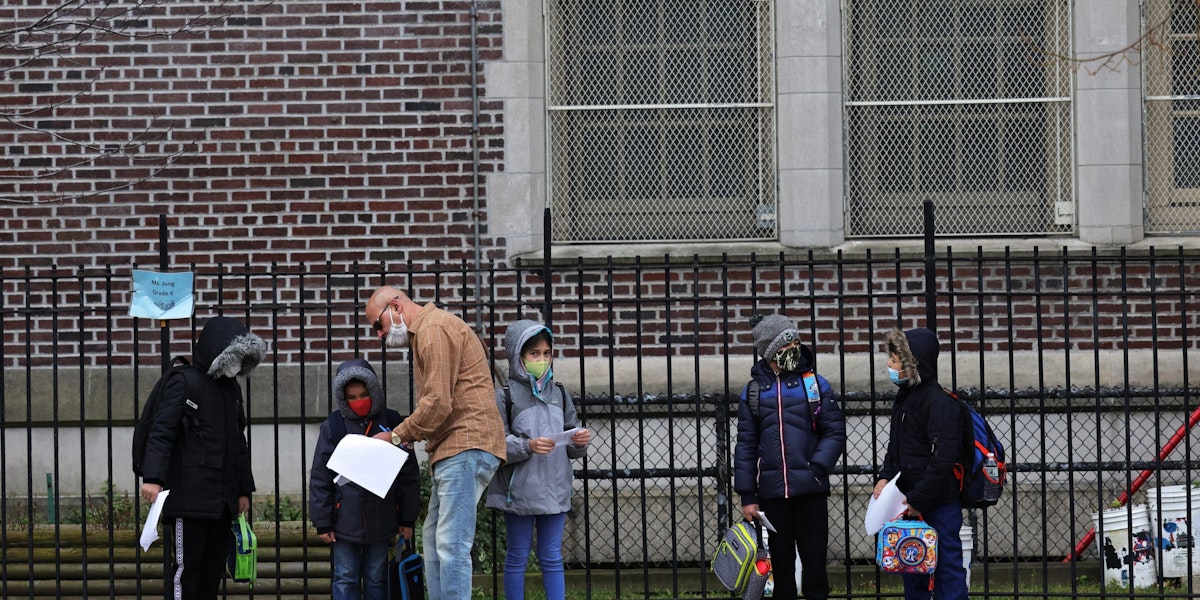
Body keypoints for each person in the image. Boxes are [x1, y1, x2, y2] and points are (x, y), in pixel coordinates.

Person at [364, 285, 506, 600]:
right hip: (457, 447)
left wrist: (397, 434)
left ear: (396, 306)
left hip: (465, 444)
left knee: (451, 544)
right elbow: (439, 403)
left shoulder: (433, 328)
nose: (378, 334)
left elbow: (439, 402)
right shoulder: (428, 331)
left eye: (378, 324)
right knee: (434, 538)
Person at [139, 316, 266, 600]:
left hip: (221, 500)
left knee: (212, 569)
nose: (237, 364)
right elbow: (163, 431)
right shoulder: (184, 382)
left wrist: (243, 490)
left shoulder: (231, 389)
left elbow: (238, 442)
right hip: (189, 498)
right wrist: (153, 478)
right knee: (187, 570)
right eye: (234, 356)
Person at [735, 313, 846, 600]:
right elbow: (746, 444)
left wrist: (817, 467)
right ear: (772, 352)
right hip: (772, 496)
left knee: (815, 569)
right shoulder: (754, 393)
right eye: (789, 344)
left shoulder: (815, 385)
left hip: (810, 491)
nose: (796, 348)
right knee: (781, 572)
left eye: (797, 342)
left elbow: (834, 432)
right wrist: (748, 495)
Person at [485, 320, 591, 600]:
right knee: (517, 556)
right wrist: (527, 446)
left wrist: (579, 443)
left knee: (552, 556)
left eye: (546, 353)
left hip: (555, 488)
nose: (542, 359)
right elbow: (497, 444)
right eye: (534, 354)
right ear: (518, 356)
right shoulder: (505, 396)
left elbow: (571, 441)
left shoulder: (560, 393)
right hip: (518, 491)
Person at [309, 358, 421, 600]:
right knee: (345, 577)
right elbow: (321, 476)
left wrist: (407, 519)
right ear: (342, 397)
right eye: (352, 397)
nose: (359, 401)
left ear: (374, 391)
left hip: (382, 520)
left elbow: (408, 475)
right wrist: (323, 522)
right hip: (343, 523)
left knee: (376, 578)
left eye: (364, 394)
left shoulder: (393, 422)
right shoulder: (334, 426)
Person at [872, 327, 969, 600]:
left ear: (914, 364)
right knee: (911, 562)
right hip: (908, 501)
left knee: (947, 564)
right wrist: (885, 476)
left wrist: (919, 498)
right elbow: (897, 450)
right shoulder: (905, 399)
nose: (889, 365)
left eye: (894, 360)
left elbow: (943, 461)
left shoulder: (940, 403)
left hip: (938, 501)